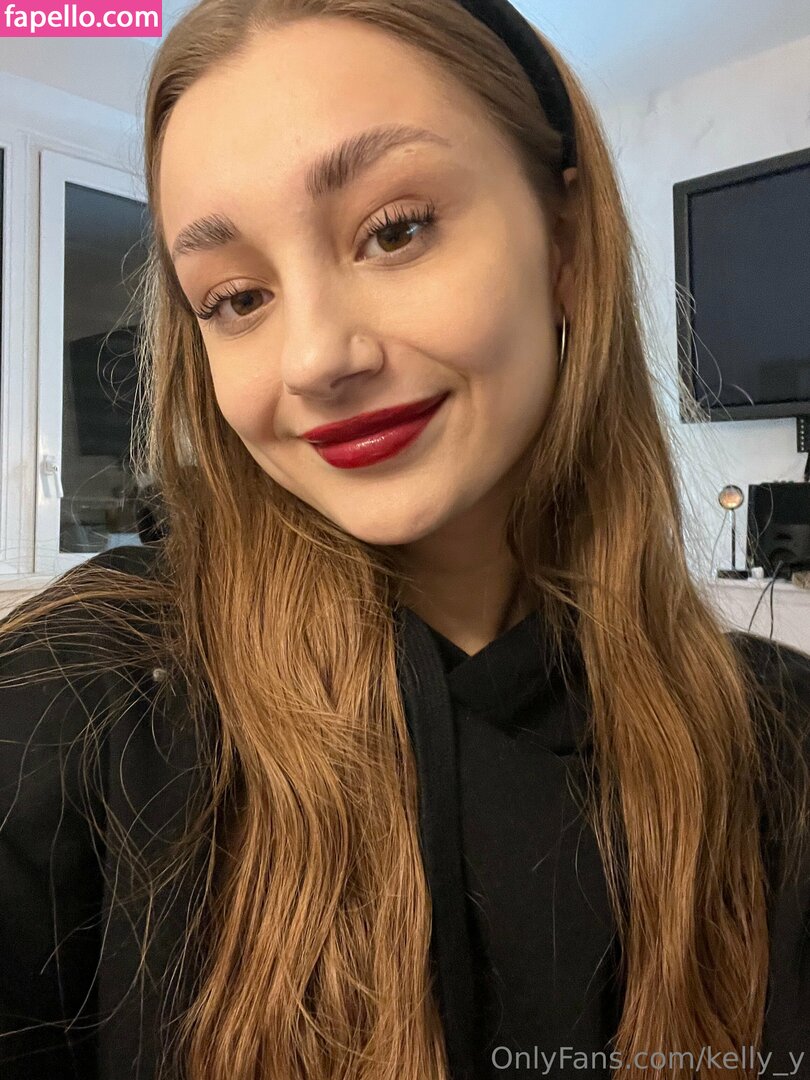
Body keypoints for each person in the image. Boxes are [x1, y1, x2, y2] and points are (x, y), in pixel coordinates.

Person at [1, 0, 808, 1078]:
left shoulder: (780, 751)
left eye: (395, 230)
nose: (314, 359)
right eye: (237, 298)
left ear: (566, 243)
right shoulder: (85, 693)